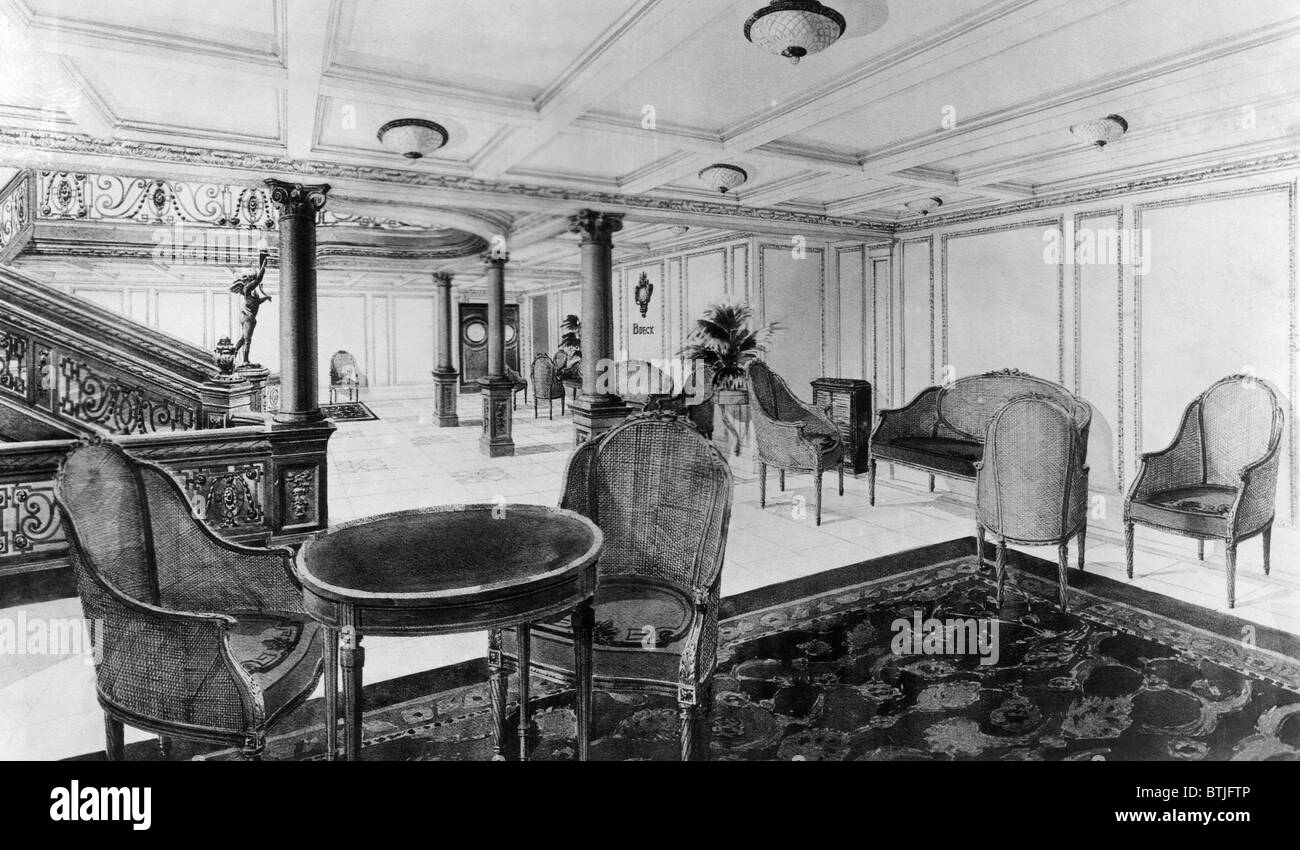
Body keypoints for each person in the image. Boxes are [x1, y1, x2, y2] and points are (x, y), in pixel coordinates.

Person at [230, 250, 270, 366]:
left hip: (249, 317)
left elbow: (256, 303)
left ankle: (233, 355)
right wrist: (263, 266)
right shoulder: (247, 288)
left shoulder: (252, 292)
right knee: (248, 340)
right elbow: (259, 279)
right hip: (247, 317)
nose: (253, 281)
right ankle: (245, 361)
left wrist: (266, 298)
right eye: (252, 278)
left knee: (243, 338)